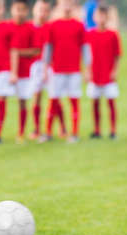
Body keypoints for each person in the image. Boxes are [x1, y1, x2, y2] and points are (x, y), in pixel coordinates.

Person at [40, 0, 90, 143]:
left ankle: (74, 133)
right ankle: (48, 132)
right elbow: (48, 49)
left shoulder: (79, 25)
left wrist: (87, 69)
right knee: (53, 100)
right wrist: (45, 69)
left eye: (70, 3)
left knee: (74, 100)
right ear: (59, 6)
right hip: (57, 70)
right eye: (64, 3)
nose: (67, 6)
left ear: (74, 6)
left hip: (74, 69)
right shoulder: (53, 26)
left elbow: (85, 48)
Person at [86, 5, 121, 140]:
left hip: (108, 74)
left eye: (103, 16)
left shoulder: (113, 35)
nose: (101, 18)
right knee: (95, 102)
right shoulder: (89, 34)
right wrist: (87, 71)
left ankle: (113, 130)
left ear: (107, 17)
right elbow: (86, 55)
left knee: (110, 102)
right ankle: (97, 130)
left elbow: (117, 55)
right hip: (95, 74)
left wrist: (115, 71)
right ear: (94, 17)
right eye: (98, 15)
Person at [10, 0, 39, 143]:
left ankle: (21, 133)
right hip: (4, 70)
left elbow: (36, 50)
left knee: (22, 101)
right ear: (12, 10)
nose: (19, 12)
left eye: (23, 10)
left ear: (27, 11)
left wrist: (17, 53)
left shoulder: (31, 28)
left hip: (24, 72)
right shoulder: (6, 26)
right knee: (1, 99)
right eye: (17, 9)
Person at [29, 0, 51, 140]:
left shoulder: (50, 27)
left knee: (54, 97)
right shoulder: (29, 27)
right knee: (36, 97)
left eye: (45, 10)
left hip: (49, 65)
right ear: (34, 10)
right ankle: (36, 129)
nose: (42, 13)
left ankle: (61, 128)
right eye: (40, 9)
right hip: (35, 66)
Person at [0, 0, 13, 144]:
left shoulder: (8, 27)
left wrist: (13, 71)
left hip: (3, 69)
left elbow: (13, 50)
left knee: (1, 99)